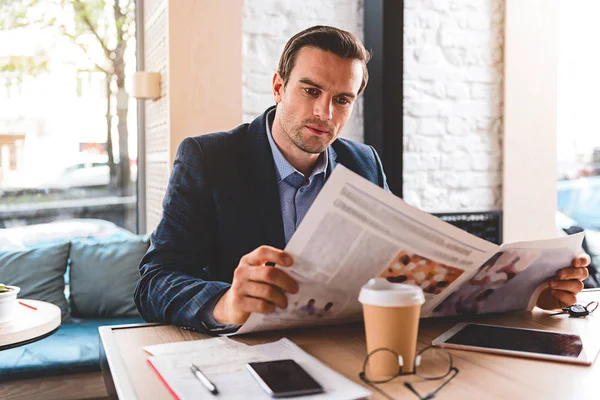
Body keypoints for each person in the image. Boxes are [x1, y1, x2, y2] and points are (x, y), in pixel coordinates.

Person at [134, 25, 590, 334]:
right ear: (278, 86)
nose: (324, 114)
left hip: (348, 349)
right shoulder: (208, 158)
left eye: (342, 100)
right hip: (242, 357)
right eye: (310, 91)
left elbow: (410, 274)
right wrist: (227, 302)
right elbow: (154, 281)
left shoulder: (363, 162)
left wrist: (531, 295)